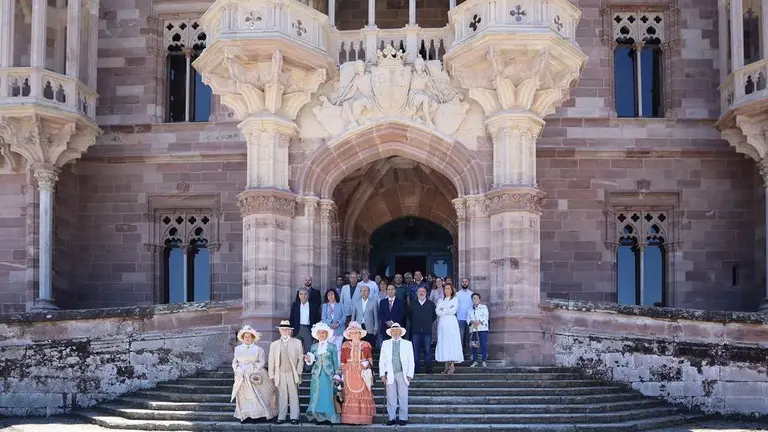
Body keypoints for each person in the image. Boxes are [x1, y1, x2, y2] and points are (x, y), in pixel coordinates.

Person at [231, 325, 278, 424]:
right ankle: (246, 415)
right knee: (244, 397)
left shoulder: (258, 349)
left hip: (255, 374)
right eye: (245, 337)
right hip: (242, 376)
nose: (247, 338)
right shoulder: (238, 349)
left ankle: (258, 416)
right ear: (243, 338)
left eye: (249, 336)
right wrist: (237, 369)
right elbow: (234, 362)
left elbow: (262, 362)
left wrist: (253, 368)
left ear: (253, 338)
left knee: (258, 395)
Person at [304, 322, 341, 424]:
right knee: (317, 396)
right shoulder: (314, 347)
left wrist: (337, 374)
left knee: (327, 396)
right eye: (319, 333)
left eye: (323, 333)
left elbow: (335, 362)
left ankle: (329, 417)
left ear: (327, 334)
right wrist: (308, 359)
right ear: (317, 334)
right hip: (316, 374)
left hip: (328, 374)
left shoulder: (332, 347)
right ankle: (319, 417)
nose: (321, 335)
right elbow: (311, 361)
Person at [340, 321, 375, 425]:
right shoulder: (345, 345)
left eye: (356, 332)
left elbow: (369, 359)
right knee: (349, 393)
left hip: (362, 371)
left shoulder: (366, 344)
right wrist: (342, 372)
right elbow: (343, 361)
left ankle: (362, 419)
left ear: (360, 333)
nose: (354, 334)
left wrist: (366, 365)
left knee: (362, 392)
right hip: (349, 371)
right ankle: (350, 419)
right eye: (352, 332)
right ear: (349, 334)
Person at [268, 320, 303, 425]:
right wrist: (271, 374)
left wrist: (299, 371)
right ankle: (281, 416)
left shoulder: (297, 342)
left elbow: (301, 358)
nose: (285, 331)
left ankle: (294, 417)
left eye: (287, 329)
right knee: (282, 395)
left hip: (292, 373)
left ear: (290, 331)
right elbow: (271, 360)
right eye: (283, 330)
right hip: (280, 373)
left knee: (293, 394)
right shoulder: (274, 344)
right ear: (280, 331)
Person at [379, 323, 414, 426]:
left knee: (403, 396)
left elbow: (411, 361)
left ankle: (403, 418)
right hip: (390, 373)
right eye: (393, 331)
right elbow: (382, 360)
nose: (395, 332)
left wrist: (410, 374)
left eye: (397, 331)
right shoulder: (385, 343)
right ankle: (391, 418)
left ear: (400, 332)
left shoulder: (408, 344)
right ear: (390, 333)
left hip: (402, 373)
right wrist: (382, 374)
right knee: (391, 397)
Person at [435, 283, 464, 374]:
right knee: (444, 342)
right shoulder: (440, 300)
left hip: (451, 323)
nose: (447, 290)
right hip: (442, 323)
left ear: (451, 290)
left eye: (448, 288)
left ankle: (452, 366)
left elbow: (453, 310)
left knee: (452, 342)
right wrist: (445, 309)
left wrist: (443, 309)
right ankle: (446, 366)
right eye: (445, 288)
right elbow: (437, 311)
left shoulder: (455, 300)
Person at [409, 286, 436, 374]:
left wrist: (427, 323)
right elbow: (409, 316)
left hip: (427, 331)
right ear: (417, 293)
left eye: (423, 291)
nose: (421, 293)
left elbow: (434, 316)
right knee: (415, 351)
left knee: (428, 351)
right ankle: (416, 369)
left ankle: (428, 369)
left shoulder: (431, 304)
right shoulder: (412, 303)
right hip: (415, 331)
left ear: (426, 293)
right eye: (419, 291)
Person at [289, 287, 319, 358]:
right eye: (301, 294)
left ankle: (308, 368)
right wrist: (291, 329)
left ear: (308, 295)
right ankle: (297, 367)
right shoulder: (295, 305)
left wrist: (316, 331)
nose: (303, 296)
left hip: (308, 329)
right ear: (299, 295)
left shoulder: (313, 306)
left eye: (305, 294)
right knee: (296, 349)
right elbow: (291, 318)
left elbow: (317, 319)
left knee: (308, 349)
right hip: (297, 329)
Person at [467, 293, 490, 367]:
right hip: (473, 329)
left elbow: (486, 316)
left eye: (477, 298)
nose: (475, 300)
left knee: (483, 345)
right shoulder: (469, 309)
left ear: (479, 300)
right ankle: (475, 361)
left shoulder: (484, 307)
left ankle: (484, 361)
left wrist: (479, 321)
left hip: (482, 329)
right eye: (474, 298)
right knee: (474, 346)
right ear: (472, 300)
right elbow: (468, 319)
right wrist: (472, 322)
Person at [322, 289, 345, 361]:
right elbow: (323, 317)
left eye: (332, 294)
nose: (330, 296)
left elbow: (344, 316)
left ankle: (337, 368)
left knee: (338, 349)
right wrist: (330, 323)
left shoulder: (340, 304)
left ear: (335, 295)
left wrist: (338, 323)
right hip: (329, 331)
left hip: (339, 330)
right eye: (328, 295)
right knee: (329, 349)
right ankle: (330, 367)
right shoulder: (325, 306)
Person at [456, 278, 474, 354]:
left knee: (470, 338)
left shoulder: (472, 294)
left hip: (469, 319)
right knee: (460, 338)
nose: (464, 283)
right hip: (460, 318)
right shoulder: (457, 294)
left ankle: (469, 354)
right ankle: (459, 354)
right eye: (463, 282)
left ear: (468, 283)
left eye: (466, 282)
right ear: (461, 283)